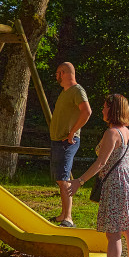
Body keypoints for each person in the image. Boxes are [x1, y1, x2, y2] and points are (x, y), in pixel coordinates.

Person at [67, 94, 129, 257]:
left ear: (113, 110)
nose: (102, 110)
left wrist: (79, 181)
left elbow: (101, 163)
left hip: (116, 183)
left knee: (114, 233)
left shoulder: (111, 134)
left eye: (105, 107)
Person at [48, 62, 92, 228]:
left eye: (57, 73)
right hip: (58, 140)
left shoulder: (77, 90)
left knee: (64, 178)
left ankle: (68, 218)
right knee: (61, 179)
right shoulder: (65, 92)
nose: (56, 76)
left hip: (68, 141)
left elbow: (87, 111)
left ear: (63, 72)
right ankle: (63, 214)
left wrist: (73, 131)